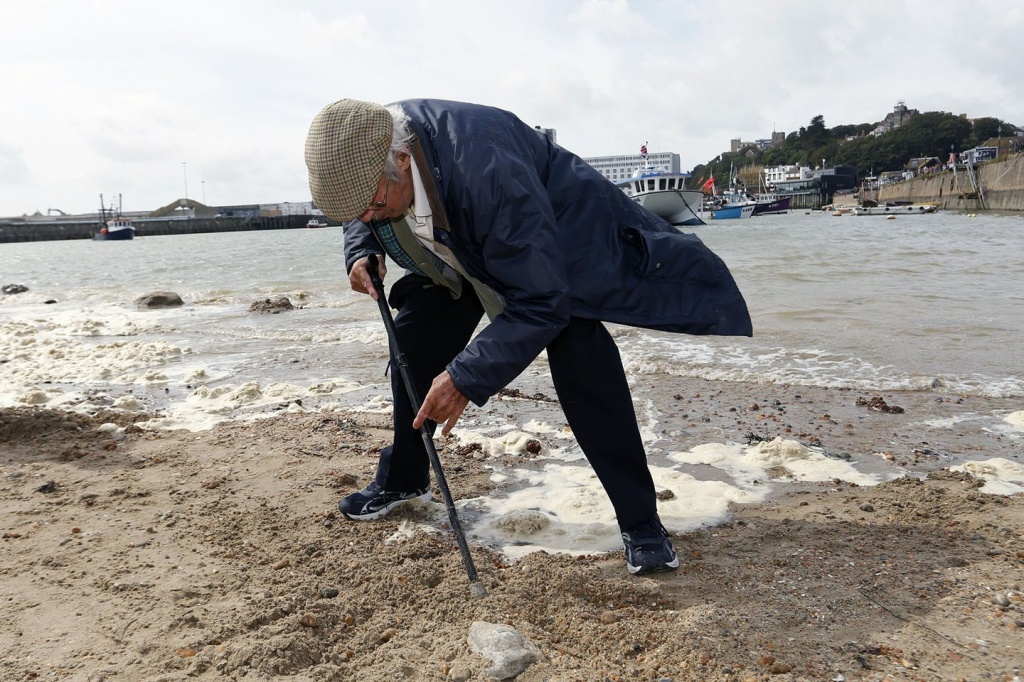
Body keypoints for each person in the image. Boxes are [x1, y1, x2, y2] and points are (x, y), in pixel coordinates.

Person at [305, 98, 752, 575]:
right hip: (459, 250)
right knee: (413, 342)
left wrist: (464, 377)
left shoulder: (486, 172)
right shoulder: (366, 146)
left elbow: (544, 299)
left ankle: (640, 522)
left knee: (584, 363)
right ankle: (405, 479)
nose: (369, 215)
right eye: (360, 212)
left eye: (373, 208)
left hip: (550, 251)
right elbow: (359, 202)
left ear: (400, 160)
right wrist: (360, 248)